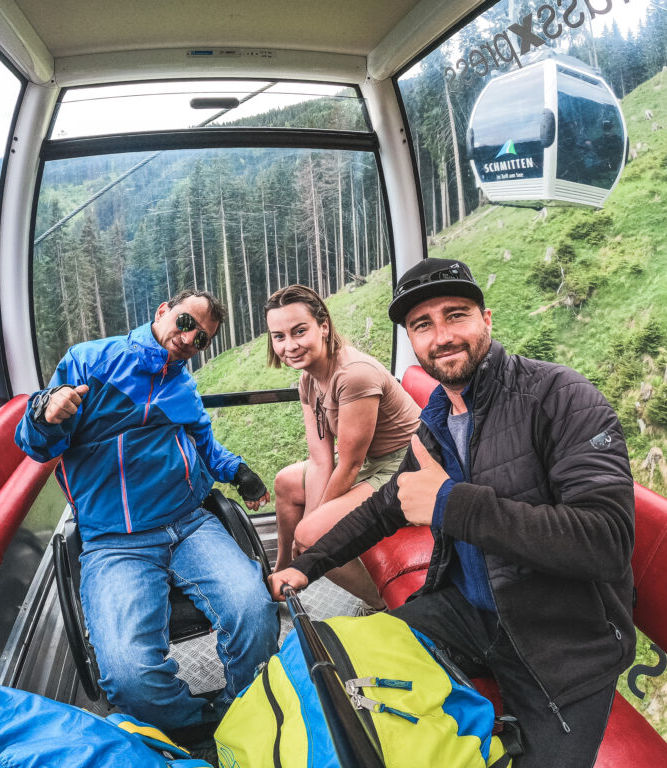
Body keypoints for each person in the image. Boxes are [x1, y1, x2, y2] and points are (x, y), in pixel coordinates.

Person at [268, 260, 635, 767]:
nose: (441, 336)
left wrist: (450, 504)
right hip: (464, 611)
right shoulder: (438, 418)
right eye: (422, 325)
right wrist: (307, 565)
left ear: (486, 319)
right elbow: (384, 508)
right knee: (333, 666)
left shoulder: (561, 397)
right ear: (412, 342)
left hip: (557, 637)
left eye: (455, 315)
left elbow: (607, 542)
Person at [15, 289, 279, 733]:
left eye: (201, 340)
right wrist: (45, 412)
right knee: (129, 677)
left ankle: (243, 716)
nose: (189, 339)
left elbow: (204, 443)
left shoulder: (182, 385)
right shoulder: (91, 361)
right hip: (115, 540)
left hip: (190, 522)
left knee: (255, 613)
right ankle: (197, 729)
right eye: (185, 323)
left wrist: (239, 472)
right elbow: (36, 444)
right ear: (163, 312)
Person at [265, 284, 420, 612]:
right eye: (279, 336)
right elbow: (321, 459)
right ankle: (281, 573)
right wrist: (308, 525)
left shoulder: (354, 376)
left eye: (299, 331)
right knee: (286, 483)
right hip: (370, 462)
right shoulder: (308, 378)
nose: (289, 346)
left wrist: (309, 532)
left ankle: (386, 605)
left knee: (312, 537)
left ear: (324, 325)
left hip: (407, 465)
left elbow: (349, 464)